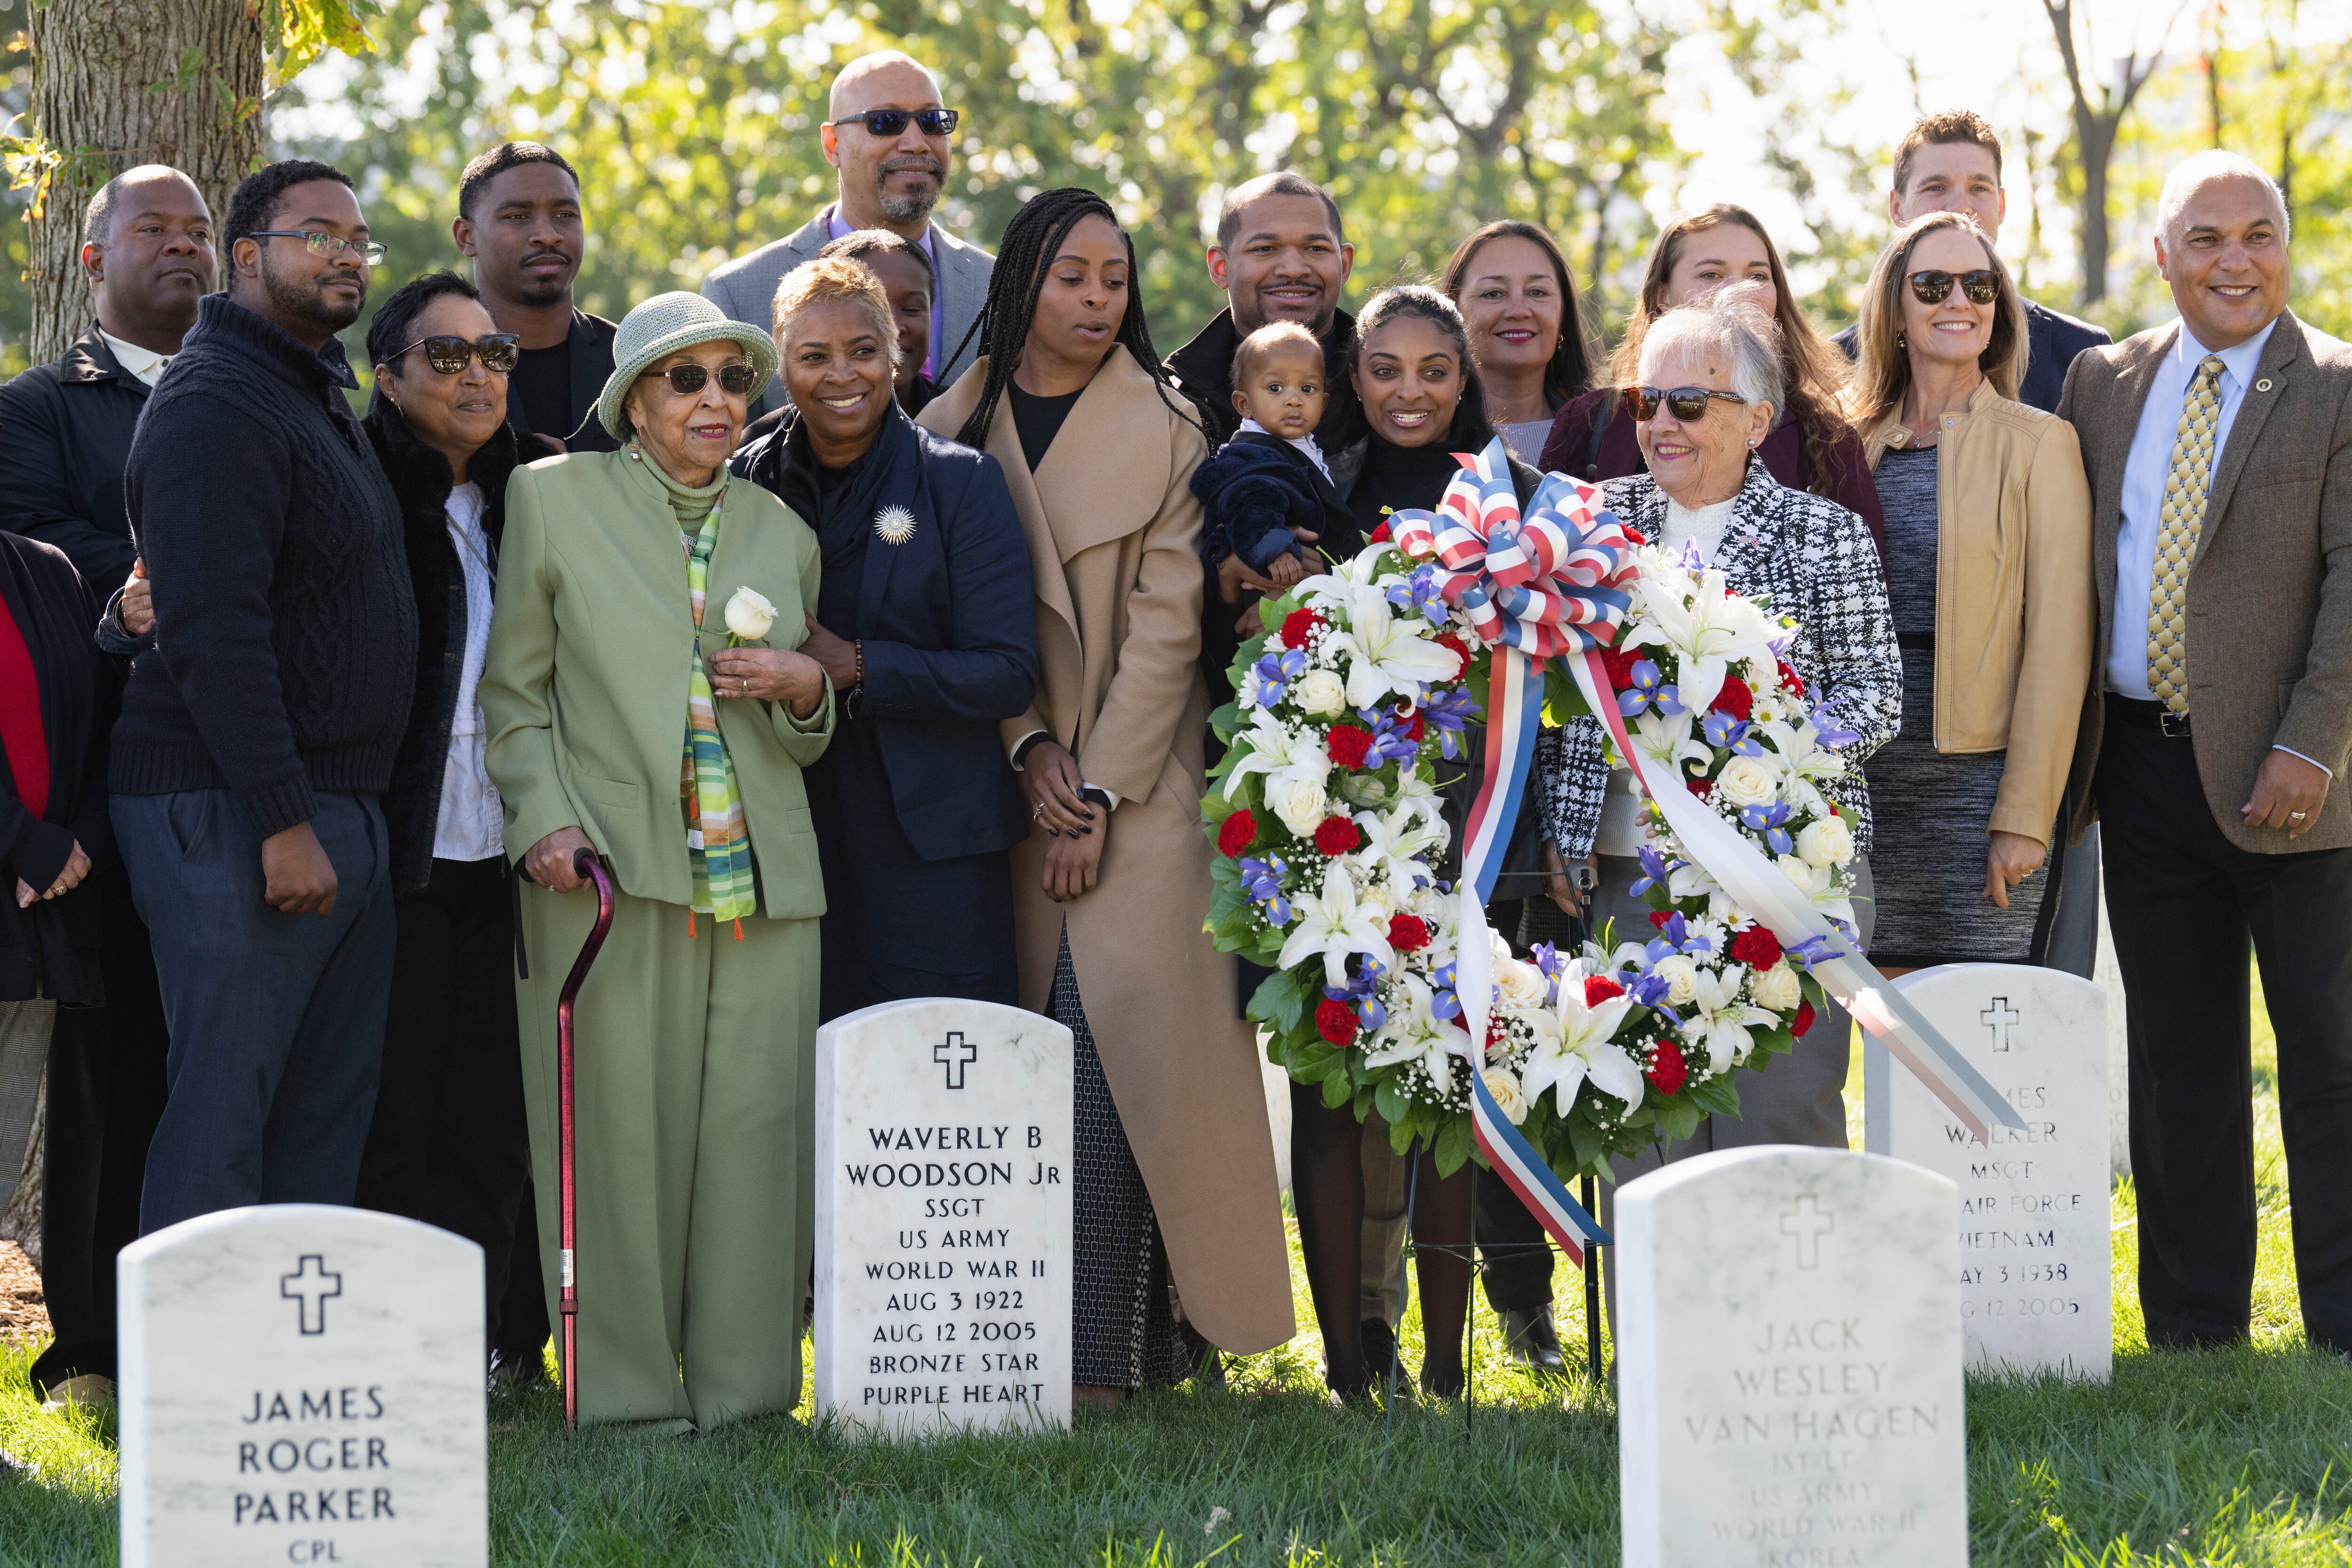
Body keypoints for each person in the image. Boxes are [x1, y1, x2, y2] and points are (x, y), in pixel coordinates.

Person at [917, 188, 1292, 1407]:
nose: (1095, 299)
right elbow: (953, 623)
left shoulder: (1174, 431)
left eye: (1114, 280)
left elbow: (1164, 632)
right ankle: (1031, 1342)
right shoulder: (947, 423)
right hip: (993, 786)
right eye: (1072, 275)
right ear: (1023, 281)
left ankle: (1128, 1354)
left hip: (1139, 788)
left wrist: (1094, 797)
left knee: (1127, 1061)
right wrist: (1031, 753)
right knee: (1028, 1070)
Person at [481, 291, 833, 1429]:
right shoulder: (550, 499)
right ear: (632, 401)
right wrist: (540, 817)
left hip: (761, 883)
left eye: (735, 381)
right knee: (615, 1140)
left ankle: (745, 1395)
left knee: (755, 1134)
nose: (718, 401)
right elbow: (514, 694)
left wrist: (810, 689)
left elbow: (800, 731)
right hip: (604, 879)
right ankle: (625, 1398)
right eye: (687, 380)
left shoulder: (785, 534)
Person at [2057, 151, 2352, 1356]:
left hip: (2295, 780)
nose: (2237, 260)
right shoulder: (2100, 382)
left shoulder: (2336, 383)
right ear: (2165, 255)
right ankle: (2192, 1322)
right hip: (2139, 765)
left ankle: (2339, 1317)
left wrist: (2308, 743)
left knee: (2329, 1050)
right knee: (2178, 1057)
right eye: (2209, 237)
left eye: (2259, 235)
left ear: (2284, 249)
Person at [1539, 294, 1899, 1221]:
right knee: (1642, 1133)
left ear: (1756, 421)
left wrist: (1761, 744)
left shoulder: (1826, 534)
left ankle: (1790, 1352)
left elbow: (1875, 697)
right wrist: (1561, 835)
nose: (1660, 423)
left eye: (1688, 404)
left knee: (1780, 1123)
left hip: (1785, 876)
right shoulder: (1587, 527)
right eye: (1644, 402)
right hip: (1622, 873)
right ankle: (1660, 1363)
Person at [111, 159, 412, 1236]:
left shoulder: (307, 397)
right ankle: (184, 1392)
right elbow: (213, 632)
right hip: (233, 806)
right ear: (246, 257)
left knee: (320, 1117)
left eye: (358, 237)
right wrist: (285, 820)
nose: (345, 253)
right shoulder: (210, 404)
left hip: (332, 808)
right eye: (317, 233)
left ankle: (285, 1382)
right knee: (225, 1114)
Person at [1283, 283, 1571, 1398]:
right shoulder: (1322, 492)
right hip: (1348, 836)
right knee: (1350, 1096)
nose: (1409, 391)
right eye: (1384, 369)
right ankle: (1360, 1358)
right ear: (1351, 379)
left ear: (1464, 382)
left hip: (1479, 820)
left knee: (1460, 1089)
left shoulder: (1517, 497)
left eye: (1432, 371)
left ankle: (1451, 1367)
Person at [0, 164, 205, 1409]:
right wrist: (176, 566)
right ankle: (90, 1344)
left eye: (199, 230)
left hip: (244, 780)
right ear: (92, 258)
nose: (181, 246)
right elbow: (39, 562)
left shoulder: (273, 392)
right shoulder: (34, 408)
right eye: (153, 227)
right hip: (97, 788)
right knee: (106, 1068)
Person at [1834, 108, 2114, 980]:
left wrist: (2026, 810)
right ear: (1895, 303)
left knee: (1988, 1040)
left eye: (1979, 286)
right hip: (1866, 782)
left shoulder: (2042, 441)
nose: (1958, 301)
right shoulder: (1849, 445)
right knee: (1889, 1046)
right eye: (1932, 286)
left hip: (1982, 785)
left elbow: (2061, 645)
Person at [348, 271, 558, 1384]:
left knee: (493, 1104)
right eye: (446, 357)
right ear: (387, 376)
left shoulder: (540, 490)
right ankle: (393, 1347)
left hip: (512, 851)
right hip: (394, 852)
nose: (477, 375)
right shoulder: (354, 485)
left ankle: (492, 1344)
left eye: (493, 357)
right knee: (394, 1110)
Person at [732, 255, 1036, 1020]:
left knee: (934, 1086)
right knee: (799, 1078)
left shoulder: (961, 483)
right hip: (789, 828)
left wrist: (858, 666)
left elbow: (1006, 673)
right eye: (814, 355)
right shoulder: (744, 484)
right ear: (779, 360)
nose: (843, 374)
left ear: (897, 355)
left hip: (931, 851)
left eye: (864, 351)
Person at [1535, 205, 1885, 560]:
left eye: (1758, 276)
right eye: (1712, 274)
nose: (1738, 291)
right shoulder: (1590, 422)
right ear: (1663, 294)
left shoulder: (1829, 442)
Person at [702, 50, 993, 414]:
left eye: (933, 121)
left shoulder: (1000, 285)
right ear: (832, 145)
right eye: (887, 122)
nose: (918, 142)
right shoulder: (738, 294)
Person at [0, 529, 115, 1408]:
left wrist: (73, 845)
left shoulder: (46, 569)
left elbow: (98, 721)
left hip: (36, 930)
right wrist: (24, 840)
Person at [1835, 111, 2110, 416]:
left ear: (2001, 206)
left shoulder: (2081, 352)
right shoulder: (1834, 363)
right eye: (1936, 188)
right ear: (1897, 208)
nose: (1961, 207)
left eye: (1979, 188)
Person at [454, 140, 619, 454]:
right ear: (466, 236)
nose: (547, 234)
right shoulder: (433, 362)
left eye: (564, 214)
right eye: (518, 216)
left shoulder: (630, 359)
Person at [1190, 320, 1350, 587]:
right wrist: (1276, 549)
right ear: (1244, 403)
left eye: (1307, 389)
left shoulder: (1303, 446)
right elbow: (1250, 506)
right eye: (1275, 388)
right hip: (1270, 574)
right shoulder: (1250, 457)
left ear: (1323, 404)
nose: (1294, 400)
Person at [1441, 219, 1596, 466]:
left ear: (1563, 316)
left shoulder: (1610, 437)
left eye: (1537, 292)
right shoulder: (1421, 439)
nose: (1519, 311)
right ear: (1453, 312)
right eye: (1494, 293)